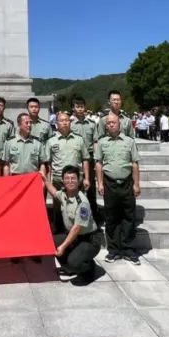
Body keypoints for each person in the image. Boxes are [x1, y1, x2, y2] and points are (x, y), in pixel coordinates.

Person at [95, 111, 141, 265]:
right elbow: (99, 163)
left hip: (127, 183)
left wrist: (136, 184)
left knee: (129, 216)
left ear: (119, 125)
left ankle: (129, 250)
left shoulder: (129, 141)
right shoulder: (102, 142)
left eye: (113, 122)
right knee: (111, 217)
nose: (111, 125)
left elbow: (135, 163)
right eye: (108, 123)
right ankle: (113, 250)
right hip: (110, 184)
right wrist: (100, 183)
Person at [46, 165, 103, 283]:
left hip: (90, 239)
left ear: (79, 180)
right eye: (67, 178)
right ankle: (70, 268)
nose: (70, 181)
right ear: (63, 180)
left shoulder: (82, 202)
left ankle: (89, 268)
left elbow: (77, 228)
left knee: (73, 261)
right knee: (51, 242)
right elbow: (53, 192)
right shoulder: (64, 194)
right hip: (76, 237)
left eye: (73, 178)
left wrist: (63, 247)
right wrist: (43, 178)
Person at [45, 111, 90, 232]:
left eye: (67, 120)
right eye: (61, 120)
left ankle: (77, 234)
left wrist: (86, 178)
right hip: (58, 181)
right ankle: (59, 233)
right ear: (56, 123)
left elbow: (85, 159)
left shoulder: (79, 139)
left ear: (70, 122)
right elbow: (48, 163)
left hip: (75, 182)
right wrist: (48, 181)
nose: (64, 123)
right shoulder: (51, 141)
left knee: (76, 209)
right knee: (58, 209)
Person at [70, 96, 103, 224]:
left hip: (89, 157)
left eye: (82, 106)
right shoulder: (70, 123)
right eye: (77, 106)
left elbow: (95, 142)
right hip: (75, 157)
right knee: (76, 185)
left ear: (85, 108)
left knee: (91, 187)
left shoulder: (92, 124)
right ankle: (75, 214)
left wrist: (96, 158)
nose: (80, 109)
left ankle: (93, 213)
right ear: (73, 108)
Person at [3, 113, 47, 178]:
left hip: (32, 178)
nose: (29, 125)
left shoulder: (38, 143)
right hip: (15, 178)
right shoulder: (9, 142)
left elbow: (42, 164)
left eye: (30, 123)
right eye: (26, 123)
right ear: (19, 124)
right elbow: (6, 165)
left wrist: (42, 179)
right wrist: (6, 181)